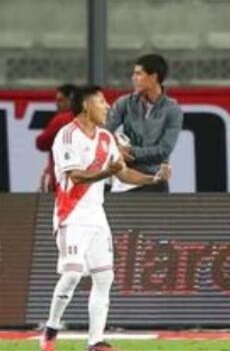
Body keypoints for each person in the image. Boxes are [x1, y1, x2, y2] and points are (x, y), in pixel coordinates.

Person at [41, 85, 172, 351]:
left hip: (97, 216)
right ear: (87, 105)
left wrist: (153, 178)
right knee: (73, 273)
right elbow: (76, 176)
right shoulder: (67, 136)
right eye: (102, 102)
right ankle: (52, 327)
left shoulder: (105, 137)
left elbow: (122, 173)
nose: (107, 107)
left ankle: (96, 342)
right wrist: (106, 171)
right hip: (71, 215)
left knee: (104, 278)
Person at [106, 54, 183, 193]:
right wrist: (116, 149)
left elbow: (164, 150)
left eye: (138, 74)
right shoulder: (124, 103)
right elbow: (103, 132)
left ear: (153, 77)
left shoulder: (173, 110)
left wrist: (130, 151)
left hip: (155, 181)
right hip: (126, 181)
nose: (133, 78)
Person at [35, 84, 78, 192]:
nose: (57, 104)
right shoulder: (91, 119)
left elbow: (41, 142)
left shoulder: (62, 120)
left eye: (61, 100)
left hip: (61, 180)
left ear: (71, 100)